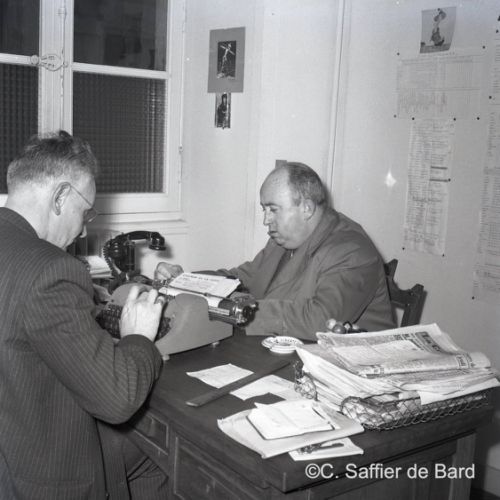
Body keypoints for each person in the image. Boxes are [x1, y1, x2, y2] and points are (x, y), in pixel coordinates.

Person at [0, 131, 167, 499]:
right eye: (85, 211)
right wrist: (138, 336)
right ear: (60, 197)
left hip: (12, 432)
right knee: (158, 454)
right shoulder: (51, 270)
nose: (84, 229)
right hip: (38, 473)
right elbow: (118, 399)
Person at [156, 162, 395, 340]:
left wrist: (237, 311)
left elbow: (319, 319)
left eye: (273, 209)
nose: (265, 220)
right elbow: (241, 279)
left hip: (354, 371)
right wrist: (185, 281)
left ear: (307, 208)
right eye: (264, 209)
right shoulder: (284, 240)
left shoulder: (351, 251)